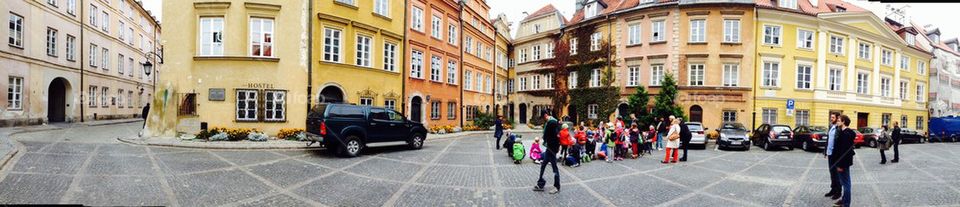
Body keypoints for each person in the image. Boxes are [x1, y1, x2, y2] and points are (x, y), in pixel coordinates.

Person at [534, 110, 561, 194]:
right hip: (549, 148)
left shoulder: (552, 123)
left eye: (543, 118)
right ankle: (540, 184)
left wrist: (554, 148)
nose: (543, 120)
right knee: (543, 165)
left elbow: (556, 136)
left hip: (551, 149)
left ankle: (557, 186)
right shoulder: (551, 122)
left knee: (554, 168)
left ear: (545, 115)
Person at [833, 114, 857, 207]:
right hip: (843, 162)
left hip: (843, 162)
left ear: (843, 122)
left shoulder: (845, 134)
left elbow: (844, 152)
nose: (837, 121)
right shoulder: (844, 132)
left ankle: (846, 204)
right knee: (845, 182)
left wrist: (840, 165)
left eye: (839, 120)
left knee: (846, 183)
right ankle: (844, 200)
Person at [824, 112, 842, 200]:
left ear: (837, 118)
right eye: (831, 117)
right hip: (830, 154)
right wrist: (825, 152)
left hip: (836, 155)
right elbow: (828, 140)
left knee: (837, 174)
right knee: (832, 173)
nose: (831, 118)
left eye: (833, 117)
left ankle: (838, 192)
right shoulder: (831, 127)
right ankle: (833, 189)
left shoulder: (839, 128)